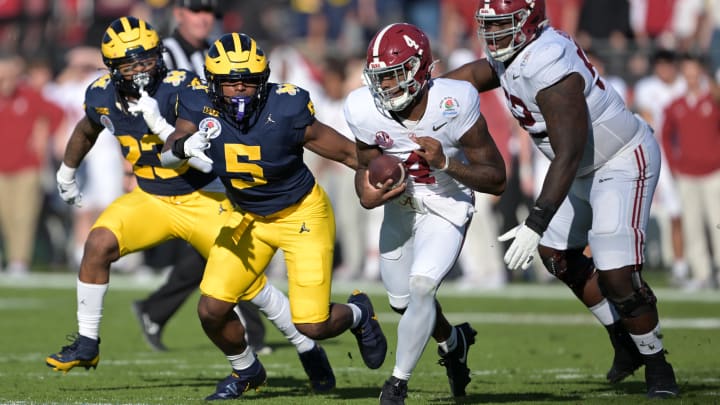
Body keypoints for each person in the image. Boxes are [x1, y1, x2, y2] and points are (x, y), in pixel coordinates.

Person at [44, 17, 335, 393]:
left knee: (248, 286)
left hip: (204, 197)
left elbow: (192, 150)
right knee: (98, 243)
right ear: (112, 69)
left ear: (159, 57)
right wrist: (67, 171)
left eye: (147, 60)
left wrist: (164, 129)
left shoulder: (185, 88)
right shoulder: (100, 94)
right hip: (150, 198)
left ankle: (305, 345)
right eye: (130, 64)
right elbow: (87, 128)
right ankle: (87, 342)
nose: (141, 70)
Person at [445, 0, 678, 398]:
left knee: (617, 274)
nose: (493, 34)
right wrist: (426, 95)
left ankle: (659, 365)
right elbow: (469, 75)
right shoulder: (517, 51)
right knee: (556, 254)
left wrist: (535, 221)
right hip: (582, 167)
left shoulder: (548, 58)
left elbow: (568, 151)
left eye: (503, 25)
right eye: (490, 25)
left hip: (619, 159)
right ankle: (623, 342)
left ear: (528, 22)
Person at [160, 32, 388, 400]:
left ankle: (359, 313)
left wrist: (384, 177)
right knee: (211, 310)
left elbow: (349, 154)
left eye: (248, 81)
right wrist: (183, 147)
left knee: (312, 325)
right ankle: (247, 370)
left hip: (301, 215)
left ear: (262, 81)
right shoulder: (195, 103)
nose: (240, 90)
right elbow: (168, 152)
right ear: (211, 82)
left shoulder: (285, 108)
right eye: (230, 82)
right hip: (247, 217)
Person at [346, 23, 506, 403]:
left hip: (446, 203)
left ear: (419, 70)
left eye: (394, 76)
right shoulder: (362, 108)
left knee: (421, 289)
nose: (384, 87)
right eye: (379, 78)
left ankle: (396, 385)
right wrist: (367, 194)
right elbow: (364, 166)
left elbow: (496, 178)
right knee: (402, 302)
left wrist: (447, 162)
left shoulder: (455, 100)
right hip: (401, 209)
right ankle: (454, 341)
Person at [131, 0, 268, 354]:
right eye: (197, 10)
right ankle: (252, 329)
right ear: (178, 13)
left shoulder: (215, 52)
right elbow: (149, 109)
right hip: (182, 160)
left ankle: (155, 309)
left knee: (222, 242)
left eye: (211, 11)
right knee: (236, 237)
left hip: (216, 156)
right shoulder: (164, 54)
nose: (206, 17)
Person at [0, 51, 63, 277]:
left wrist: (46, 136)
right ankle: (8, 257)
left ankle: (19, 261)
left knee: (23, 215)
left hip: (27, 166)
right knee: (5, 215)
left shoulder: (29, 96)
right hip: (1, 167)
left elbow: (57, 114)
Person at [661, 53, 720, 290]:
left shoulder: (714, 101)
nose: (691, 77)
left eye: (694, 72)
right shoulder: (675, 106)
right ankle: (702, 273)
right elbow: (665, 137)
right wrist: (675, 166)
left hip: (714, 173)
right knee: (692, 226)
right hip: (686, 174)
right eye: (687, 73)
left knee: (717, 223)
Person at [634, 49, 690, 286]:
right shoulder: (646, 87)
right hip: (656, 152)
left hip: (683, 153)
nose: (664, 69)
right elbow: (650, 120)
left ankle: (683, 265)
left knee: (681, 212)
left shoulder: (685, 85)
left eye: (668, 64)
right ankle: (635, 265)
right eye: (660, 64)